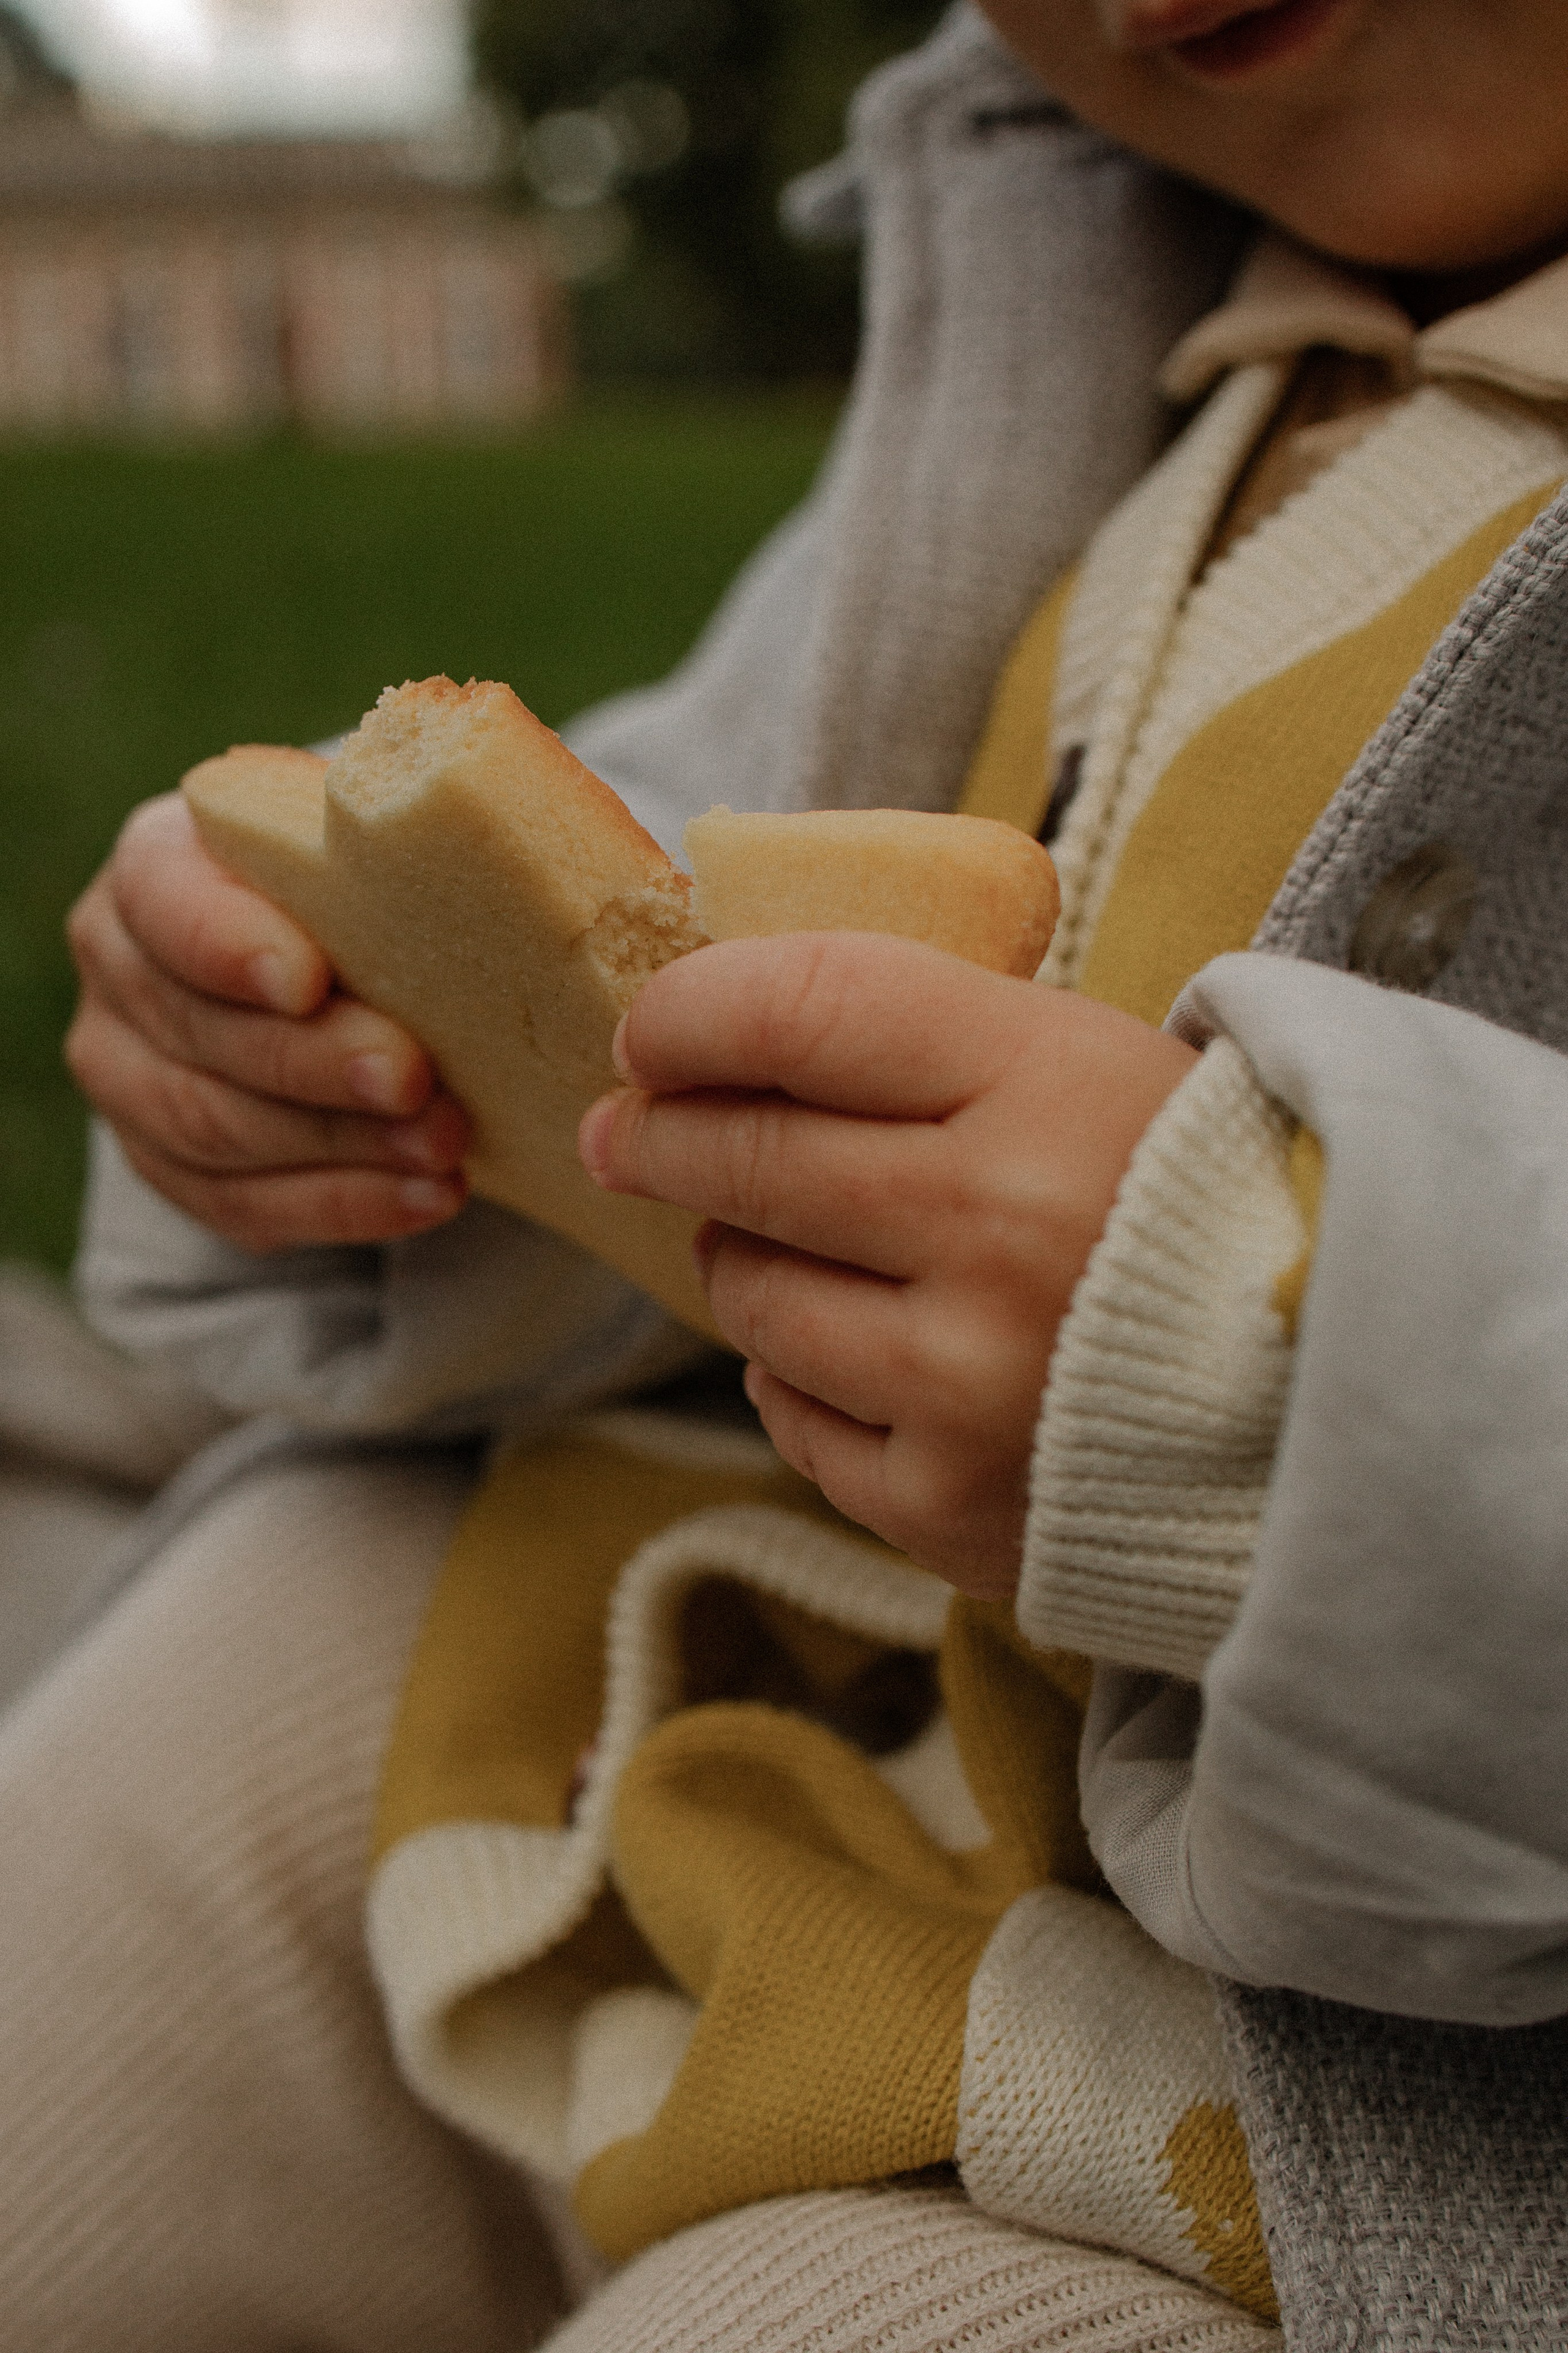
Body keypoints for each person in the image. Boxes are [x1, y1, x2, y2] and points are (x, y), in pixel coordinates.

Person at [10, 0, 1568, 2344]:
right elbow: (669, 889)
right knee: (189, 1762)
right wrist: (344, 1064)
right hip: (835, 1777)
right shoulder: (1132, 307)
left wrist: (1272, 1339)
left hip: (1317, 2129)